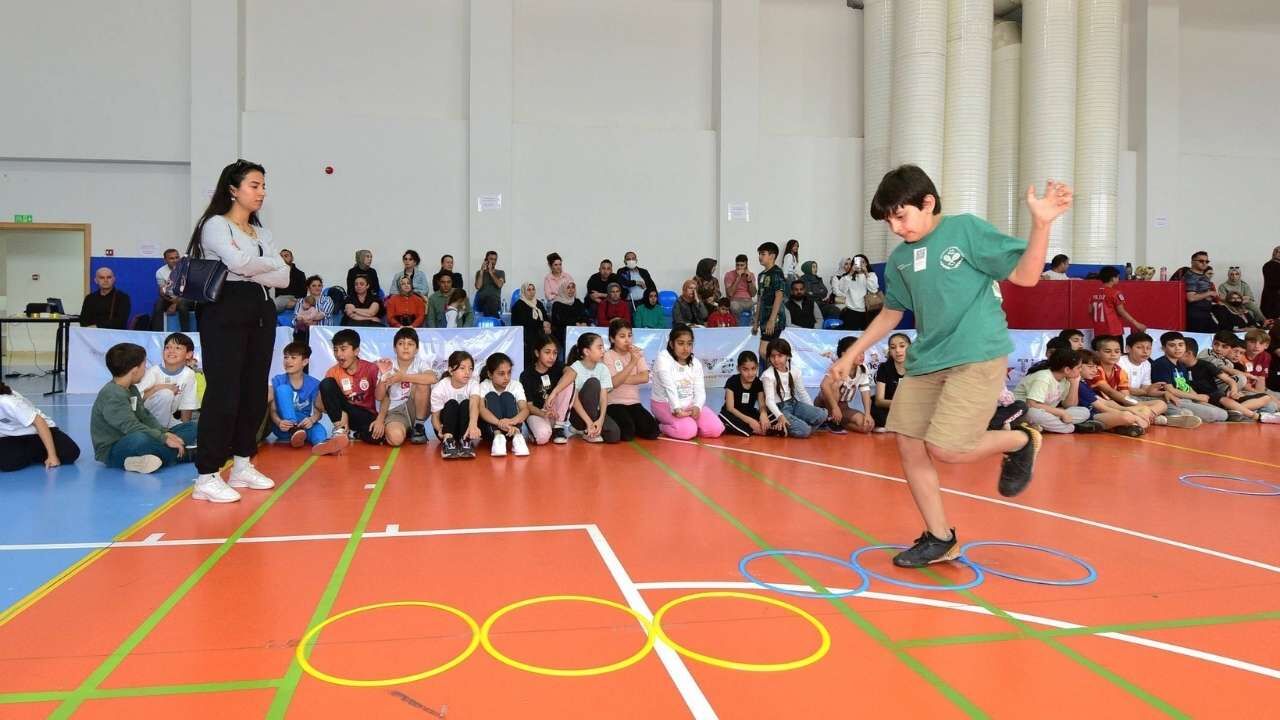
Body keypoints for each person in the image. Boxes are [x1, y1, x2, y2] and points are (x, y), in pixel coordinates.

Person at [829, 164, 1073, 568]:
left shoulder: (966, 231)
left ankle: (1021, 440)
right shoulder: (901, 260)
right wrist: (850, 354)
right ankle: (940, 538)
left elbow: (1026, 276)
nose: (895, 227)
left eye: (900, 215)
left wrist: (1041, 225)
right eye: (889, 220)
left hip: (976, 353)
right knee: (908, 442)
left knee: (946, 448)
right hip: (928, 360)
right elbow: (891, 314)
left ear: (928, 202)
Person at [185, 159, 290, 503]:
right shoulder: (215, 226)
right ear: (233, 189)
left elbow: (283, 277)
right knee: (224, 393)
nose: (261, 192)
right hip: (225, 312)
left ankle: (243, 463)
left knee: (253, 391)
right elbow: (239, 265)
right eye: (254, 185)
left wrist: (263, 269)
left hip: (261, 311)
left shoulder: (263, 233)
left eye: (263, 186)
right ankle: (207, 474)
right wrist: (266, 266)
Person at [91, 343, 195, 475]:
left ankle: (142, 460)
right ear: (134, 370)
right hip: (115, 449)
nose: (145, 369)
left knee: (191, 427)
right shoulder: (112, 394)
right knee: (140, 439)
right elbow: (131, 427)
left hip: (139, 437)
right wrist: (163, 438)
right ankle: (189, 454)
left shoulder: (131, 388)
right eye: (144, 365)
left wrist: (164, 433)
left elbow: (145, 416)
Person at [267, 342, 345, 454]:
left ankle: (324, 446)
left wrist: (311, 420)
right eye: (286, 357)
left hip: (303, 425)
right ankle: (294, 430)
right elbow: (273, 410)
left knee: (319, 430)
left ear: (305, 361)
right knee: (283, 389)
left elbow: (318, 412)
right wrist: (279, 422)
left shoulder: (314, 383)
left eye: (293, 358)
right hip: (284, 427)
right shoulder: (278, 380)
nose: (288, 361)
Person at [651, 324, 724, 439]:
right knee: (687, 432)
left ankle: (688, 423)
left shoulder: (695, 363)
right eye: (680, 343)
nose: (686, 348)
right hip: (665, 404)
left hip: (688, 405)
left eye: (689, 344)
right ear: (671, 344)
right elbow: (669, 387)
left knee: (716, 429)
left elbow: (700, 390)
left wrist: (697, 406)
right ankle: (660, 425)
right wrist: (676, 408)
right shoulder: (663, 359)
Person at [546, 333, 622, 443]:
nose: (603, 351)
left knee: (614, 435)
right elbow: (575, 399)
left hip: (594, 413)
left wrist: (600, 420)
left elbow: (603, 396)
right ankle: (585, 430)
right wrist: (589, 422)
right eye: (599, 347)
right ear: (587, 351)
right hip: (578, 416)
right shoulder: (575, 368)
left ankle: (588, 429)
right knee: (593, 383)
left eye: (603, 347)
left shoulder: (603, 368)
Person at [1183, 336, 1278, 422]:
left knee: (1268, 400)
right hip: (1214, 396)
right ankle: (1253, 415)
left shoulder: (1230, 364)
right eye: (1217, 344)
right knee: (1225, 401)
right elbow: (1227, 374)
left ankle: (1236, 411)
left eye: (1241, 353)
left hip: (1225, 396)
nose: (1219, 349)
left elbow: (1231, 380)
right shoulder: (1207, 355)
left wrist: (1234, 391)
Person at [374, 327, 436, 447]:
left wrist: (402, 377)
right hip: (395, 412)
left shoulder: (421, 363)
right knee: (396, 439)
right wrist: (382, 377)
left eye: (410, 344)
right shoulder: (388, 365)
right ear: (394, 348)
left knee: (423, 382)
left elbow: (432, 378)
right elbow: (379, 396)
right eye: (401, 343)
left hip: (416, 409)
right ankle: (405, 429)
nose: (406, 347)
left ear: (417, 349)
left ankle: (418, 426)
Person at [319, 328, 382, 445]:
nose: (338, 354)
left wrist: (380, 420)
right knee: (326, 383)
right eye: (335, 350)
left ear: (356, 351)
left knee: (376, 437)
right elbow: (320, 405)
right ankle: (340, 430)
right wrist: (342, 413)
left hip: (365, 415)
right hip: (344, 412)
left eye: (343, 349)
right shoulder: (332, 372)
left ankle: (355, 433)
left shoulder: (371, 368)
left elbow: (383, 397)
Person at [0, 380, 80, 471]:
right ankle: (33, 454)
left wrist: (52, 455)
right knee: (6, 464)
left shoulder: (8, 402)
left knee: (70, 453)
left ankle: (39, 453)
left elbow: (39, 422)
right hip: (10, 436)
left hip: (38, 432)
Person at [1150, 332, 1228, 422]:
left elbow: (1187, 386)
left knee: (1223, 414)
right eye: (1172, 345)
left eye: (1181, 345)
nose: (1178, 348)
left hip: (1187, 400)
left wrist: (1198, 398)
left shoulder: (1181, 364)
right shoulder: (1161, 363)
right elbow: (1170, 390)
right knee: (1213, 414)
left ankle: (1185, 414)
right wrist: (1197, 398)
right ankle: (1172, 416)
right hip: (1172, 400)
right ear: (1163, 348)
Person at [603, 319, 660, 441]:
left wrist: (621, 377)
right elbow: (613, 383)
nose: (627, 340)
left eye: (630, 335)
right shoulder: (608, 356)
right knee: (627, 433)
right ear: (612, 339)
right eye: (622, 336)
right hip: (614, 403)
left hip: (634, 402)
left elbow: (644, 378)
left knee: (653, 432)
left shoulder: (636, 352)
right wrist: (633, 362)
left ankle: (635, 423)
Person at [760, 338, 828, 438]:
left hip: (793, 403)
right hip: (779, 408)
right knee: (804, 431)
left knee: (822, 415)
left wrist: (811, 409)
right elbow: (769, 401)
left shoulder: (795, 371)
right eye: (772, 356)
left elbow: (802, 392)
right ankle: (780, 424)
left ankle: (794, 425)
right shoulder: (768, 375)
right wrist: (780, 416)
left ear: (788, 356)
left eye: (780, 355)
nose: (776, 360)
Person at [1013, 349, 1090, 433]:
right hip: (1022, 412)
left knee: (1084, 411)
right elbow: (1031, 404)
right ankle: (1072, 428)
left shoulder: (1066, 379)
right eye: (1079, 367)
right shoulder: (1043, 377)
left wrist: (1075, 384)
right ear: (1067, 370)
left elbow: (1069, 405)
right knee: (1033, 414)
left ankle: (1044, 426)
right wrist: (1061, 413)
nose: (1081, 370)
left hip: (1048, 413)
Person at [1074, 349, 1150, 436]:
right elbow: (1102, 407)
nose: (1095, 370)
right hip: (1093, 416)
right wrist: (1135, 416)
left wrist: (1133, 411)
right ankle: (1123, 425)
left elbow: (1105, 402)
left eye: (1096, 367)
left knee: (1143, 409)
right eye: (1090, 367)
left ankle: (1122, 427)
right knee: (1126, 416)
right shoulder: (1079, 384)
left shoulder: (1084, 382)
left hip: (1102, 413)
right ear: (1078, 366)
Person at [136, 332, 199, 430]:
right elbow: (135, 398)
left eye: (177, 348)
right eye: (167, 347)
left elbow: (187, 404)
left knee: (193, 429)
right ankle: (160, 433)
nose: (171, 351)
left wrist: (186, 428)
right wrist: (159, 388)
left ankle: (166, 432)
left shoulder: (189, 374)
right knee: (166, 394)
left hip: (167, 418)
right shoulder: (154, 371)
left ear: (188, 354)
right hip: (144, 418)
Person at [475, 353, 531, 457]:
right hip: (491, 431)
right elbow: (481, 410)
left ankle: (517, 437)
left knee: (507, 396)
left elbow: (525, 410)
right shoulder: (484, 385)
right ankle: (498, 438)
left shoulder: (516, 385)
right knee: (491, 395)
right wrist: (499, 423)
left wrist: (511, 421)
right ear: (490, 374)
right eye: (501, 374)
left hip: (512, 429)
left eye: (509, 373)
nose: (506, 377)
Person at [521, 336, 572, 445]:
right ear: (537, 353)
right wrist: (543, 413)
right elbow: (528, 406)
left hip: (555, 414)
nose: (552, 357)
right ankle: (539, 431)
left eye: (555, 353)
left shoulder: (557, 366)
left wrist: (554, 393)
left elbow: (572, 373)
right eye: (547, 352)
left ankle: (558, 427)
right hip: (537, 412)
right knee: (542, 437)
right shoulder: (527, 375)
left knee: (569, 383)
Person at [817, 336, 874, 434]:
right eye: (857, 352)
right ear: (844, 354)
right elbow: (824, 386)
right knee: (835, 384)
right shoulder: (837, 367)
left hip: (843, 407)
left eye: (862, 352)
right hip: (825, 404)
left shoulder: (863, 368)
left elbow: (866, 392)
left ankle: (839, 422)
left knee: (867, 427)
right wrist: (835, 408)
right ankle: (830, 418)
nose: (862, 356)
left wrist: (868, 414)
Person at [431, 350, 482, 458]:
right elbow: (435, 417)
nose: (467, 372)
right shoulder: (440, 387)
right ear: (451, 370)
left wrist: (473, 425)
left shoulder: (473, 384)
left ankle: (466, 441)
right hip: (445, 430)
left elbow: (474, 405)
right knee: (452, 403)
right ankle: (448, 442)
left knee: (466, 403)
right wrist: (440, 430)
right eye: (462, 368)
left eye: (470, 368)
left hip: (466, 429)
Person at [720, 350, 768, 437]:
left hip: (749, 412)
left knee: (769, 419)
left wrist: (763, 414)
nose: (750, 373)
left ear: (757, 367)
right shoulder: (732, 381)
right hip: (733, 414)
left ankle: (755, 427)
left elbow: (761, 405)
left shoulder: (758, 382)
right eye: (745, 369)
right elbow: (730, 408)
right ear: (738, 368)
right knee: (746, 431)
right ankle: (730, 426)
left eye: (753, 369)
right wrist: (750, 421)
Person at [1090, 266, 1145, 338]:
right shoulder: (1115, 293)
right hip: (1113, 331)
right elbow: (1121, 311)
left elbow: (1090, 311)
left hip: (1098, 331)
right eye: (1118, 277)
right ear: (1113, 278)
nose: (1119, 279)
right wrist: (1136, 323)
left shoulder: (1094, 293)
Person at [754, 242, 787, 358]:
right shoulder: (761, 275)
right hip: (764, 318)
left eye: (763, 254)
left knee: (765, 351)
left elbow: (779, 295)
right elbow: (760, 298)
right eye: (759, 254)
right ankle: (774, 373)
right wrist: (756, 321)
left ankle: (777, 373)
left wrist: (772, 320)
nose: (760, 257)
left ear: (772, 256)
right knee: (768, 352)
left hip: (774, 319)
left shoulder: (777, 272)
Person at [872, 333, 910, 430]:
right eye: (893, 347)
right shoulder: (884, 368)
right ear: (889, 351)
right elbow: (879, 401)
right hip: (889, 407)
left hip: (910, 409)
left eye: (902, 346)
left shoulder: (917, 367)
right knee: (879, 416)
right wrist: (901, 404)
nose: (898, 350)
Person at [151, 249, 193, 331]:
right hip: (170, 298)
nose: (175, 260)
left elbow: (189, 291)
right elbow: (162, 292)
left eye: (177, 257)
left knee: (182, 304)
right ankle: (159, 334)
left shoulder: (187, 269)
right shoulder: (160, 272)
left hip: (186, 297)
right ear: (165, 260)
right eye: (171, 258)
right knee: (158, 304)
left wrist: (175, 304)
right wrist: (172, 301)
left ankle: (186, 334)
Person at [836, 254, 881, 331]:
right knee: (850, 335)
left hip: (868, 311)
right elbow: (842, 289)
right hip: (851, 311)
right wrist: (851, 272)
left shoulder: (871, 275)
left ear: (866, 264)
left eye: (863, 262)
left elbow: (873, 289)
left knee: (866, 336)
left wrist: (866, 273)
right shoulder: (848, 276)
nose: (860, 264)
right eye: (857, 262)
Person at [512, 282, 553, 366]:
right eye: (529, 290)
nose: (532, 292)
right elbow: (525, 322)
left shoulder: (538, 303)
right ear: (524, 291)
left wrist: (547, 325)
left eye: (533, 289)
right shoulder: (518, 305)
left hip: (540, 334)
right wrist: (542, 324)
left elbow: (545, 318)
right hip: (526, 336)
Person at [549, 280, 590, 348]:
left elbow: (585, 315)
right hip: (562, 334)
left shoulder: (577, 302)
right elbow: (559, 321)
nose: (571, 290)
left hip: (578, 331)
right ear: (563, 289)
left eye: (573, 287)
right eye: (568, 288)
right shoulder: (557, 304)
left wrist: (584, 322)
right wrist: (574, 323)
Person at [1184, 251, 1217, 332]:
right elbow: (1191, 298)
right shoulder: (1191, 277)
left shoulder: (1203, 275)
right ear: (1192, 262)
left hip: (1205, 313)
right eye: (1201, 261)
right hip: (1196, 314)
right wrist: (1209, 293)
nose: (1204, 263)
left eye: (1207, 261)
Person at [474, 250, 506, 317]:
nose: (493, 262)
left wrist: (491, 272)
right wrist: (482, 271)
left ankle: (493, 321)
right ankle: (498, 322)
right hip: (481, 302)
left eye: (495, 259)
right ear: (486, 260)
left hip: (494, 302)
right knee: (488, 301)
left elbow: (499, 285)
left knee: (491, 299)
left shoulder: (500, 273)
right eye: (491, 259)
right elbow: (478, 286)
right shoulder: (479, 273)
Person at [724, 254, 757, 319]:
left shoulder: (751, 275)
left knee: (758, 307)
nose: (739, 267)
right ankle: (737, 327)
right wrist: (738, 278)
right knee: (734, 307)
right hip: (735, 300)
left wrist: (749, 281)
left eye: (742, 265)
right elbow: (730, 293)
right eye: (737, 265)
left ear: (746, 265)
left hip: (748, 301)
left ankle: (752, 327)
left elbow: (753, 294)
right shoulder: (729, 274)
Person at [1262, 245, 1280, 320]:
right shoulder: (1269, 265)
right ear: (1274, 253)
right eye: (1278, 252)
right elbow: (1271, 282)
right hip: (1272, 297)